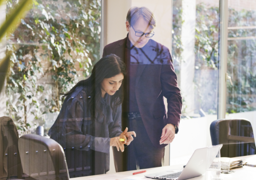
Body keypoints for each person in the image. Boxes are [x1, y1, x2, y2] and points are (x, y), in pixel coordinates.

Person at [102, 7, 182, 171]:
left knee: (152, 175)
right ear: (127, 26)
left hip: (153, 132)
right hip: (122, 130)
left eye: (148, 33)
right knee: (124, 175)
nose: (143, 38)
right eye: (139, 33)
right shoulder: (111, 51)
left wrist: (172, 124)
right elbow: (103, 92)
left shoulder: (161, 52)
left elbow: (174, 94)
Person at [48, 54, 136, 177]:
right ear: (100, 77)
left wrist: (120, 138)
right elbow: (67, 137)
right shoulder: (79, 99)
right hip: (75, 165)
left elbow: (113, 129)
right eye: (112, 82)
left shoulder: (114, 96)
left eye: (120, 81)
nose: (116, 87)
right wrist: (107, 142)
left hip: (98, 164)